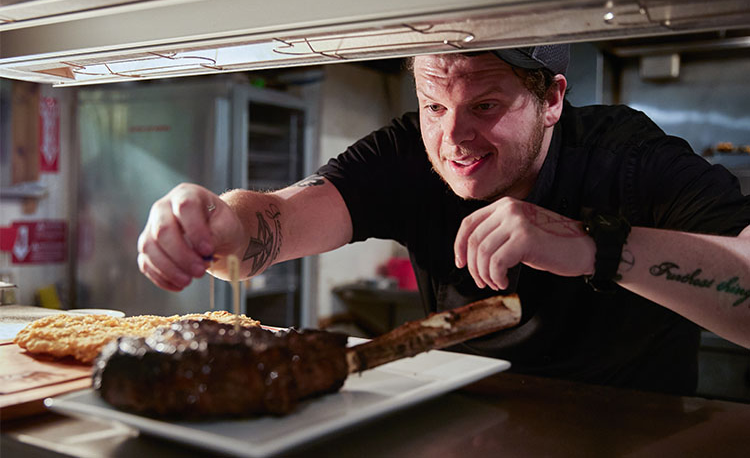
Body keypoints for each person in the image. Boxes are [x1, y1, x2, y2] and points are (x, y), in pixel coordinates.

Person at [137, 45, 750, 396]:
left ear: (553, 99)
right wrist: (219, 224)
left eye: (485, 105)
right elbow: (282, 217)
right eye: (434, 105)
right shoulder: (409, 153)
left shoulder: (630, 159)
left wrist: (597, 247)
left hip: (636, 432)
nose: (454, 138)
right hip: (468, 425)